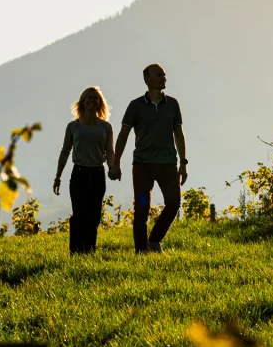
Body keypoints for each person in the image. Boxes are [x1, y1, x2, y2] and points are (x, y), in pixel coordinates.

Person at [109, 64, 188, 253]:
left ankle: (154, 240)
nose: (164, 78)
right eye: (159, 74)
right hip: (142, 165)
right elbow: (123, 135)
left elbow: (179, 134)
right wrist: (116, 163)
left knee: (174, 203)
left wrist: (183, 163)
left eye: (164, 75)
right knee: (142, 208)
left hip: (168, 164)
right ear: (147, 79)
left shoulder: (173, 104)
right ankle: (140, 252)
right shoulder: (135, 106)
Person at [54, 86, 115, 255]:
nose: (92, 100)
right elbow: (65, 151)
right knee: (79, 213)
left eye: (95, 98)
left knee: (94, 215)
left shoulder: (105, 127)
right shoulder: (73, 126)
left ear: (99, 103)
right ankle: (75, 251)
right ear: (82, 102)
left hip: (97, 173)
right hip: (79, 173)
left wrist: (112, 167)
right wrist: (58, 177)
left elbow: (109, 150)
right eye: (89, 97)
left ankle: (89, 250)